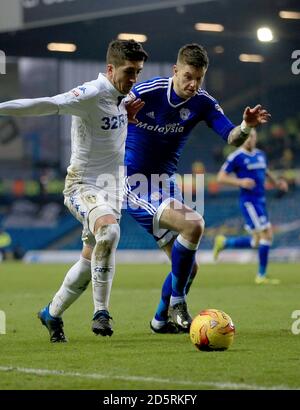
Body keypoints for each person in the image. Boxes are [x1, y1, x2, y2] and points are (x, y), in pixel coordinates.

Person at [0, 39, 148, 342]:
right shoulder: (90, 93)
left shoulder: (124, 96)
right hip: (82, 185)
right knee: (110, 232)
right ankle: (101, 313)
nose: (133, 79)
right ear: (110, 68)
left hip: (112, 189)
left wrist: (126, 118)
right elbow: (45, 104)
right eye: (129, 71)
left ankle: (51, 314)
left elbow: (111, 126)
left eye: (138, 72)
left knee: (88, 259)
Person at [124, 43, 271, 333]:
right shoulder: (146, 92)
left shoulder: (203, 102)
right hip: (135, 183)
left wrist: (245, 125)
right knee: (194, 225)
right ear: (175, 70)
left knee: (190, 268)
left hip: (166, 184)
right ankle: (178, 303)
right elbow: (107, 115)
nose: (193, 85)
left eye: (199, 79)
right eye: (188, 76)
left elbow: (232, 137)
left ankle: (159, 320)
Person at [213, 129, 288, 284]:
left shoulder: (260, 154)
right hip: (249, 202)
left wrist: (276, 183)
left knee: (256, 241)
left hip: (261, 200)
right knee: (267, 234)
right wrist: (240, 182)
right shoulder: (236, 157)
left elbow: (265, 171)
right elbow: (220, 177)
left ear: (255, 138)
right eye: (246, 137)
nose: (249, 139)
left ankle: (225, 242)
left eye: (251, 136)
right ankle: (261, 276)